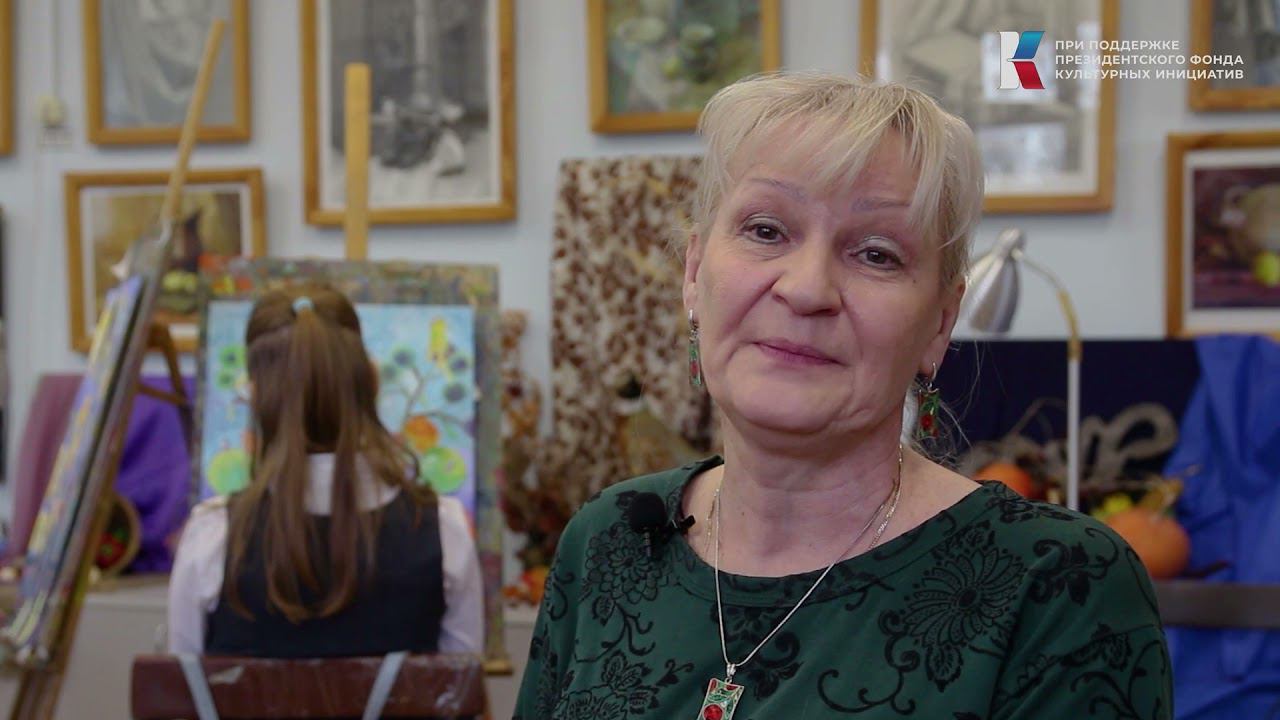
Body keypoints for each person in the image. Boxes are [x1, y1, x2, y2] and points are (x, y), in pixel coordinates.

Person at [513, 72, 1172, 719]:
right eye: (766, 230)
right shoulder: (611, 539)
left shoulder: (1058, 588)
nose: (806, 289)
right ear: (693, 271)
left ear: (939, 323)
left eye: (877, 254)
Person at [168, 284, 484, 658]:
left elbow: (184, 683)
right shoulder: (444, 531)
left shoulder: (212, 537)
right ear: (372, 382)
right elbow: (460, 682)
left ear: (254, 396)